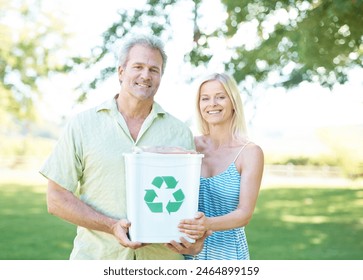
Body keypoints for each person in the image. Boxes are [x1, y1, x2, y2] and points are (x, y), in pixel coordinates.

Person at [39, 33, 206, 260]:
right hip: (98, 260)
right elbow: (56, 199)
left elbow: (188, 202)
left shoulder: (179, 132)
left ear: (160, 77)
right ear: (121, 72)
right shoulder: (83, 125)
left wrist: (193, 241)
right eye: (138, 66)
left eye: (153, 69)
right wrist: (110, 225)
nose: (145, 75)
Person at [168, 73, 264, 260]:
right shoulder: (189, 146)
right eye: (205, 98)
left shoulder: (250, 152)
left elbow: (244, 214)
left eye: (220, 97)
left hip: (228, 255)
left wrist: (206, 224)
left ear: (233, 102)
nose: (212, 103)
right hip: (187, 254)